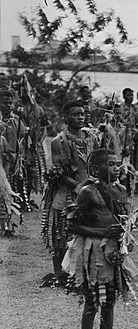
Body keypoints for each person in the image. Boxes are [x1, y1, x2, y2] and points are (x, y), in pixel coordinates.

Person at [63, 148, 138, 329]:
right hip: (93, 253)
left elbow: (124, 221)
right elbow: (72, 225)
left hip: (114, 252)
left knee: (110, 300)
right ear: (95, 169)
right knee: (92, 301)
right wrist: (102, 233)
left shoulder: (119, 189)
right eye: (110, 164)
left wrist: (124, 238)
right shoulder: (87, 192)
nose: (117, 167)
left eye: (117, 163)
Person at [41, 101, 98, 287]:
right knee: (61, 233)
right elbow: (58, 172)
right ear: (66, 117)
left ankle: (83, 272)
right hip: (67, 192)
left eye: (82, 114)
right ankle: (59, 275)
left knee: (87, 232)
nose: (80, 117)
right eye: (75, 114)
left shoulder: (91, 137)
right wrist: (79, 185)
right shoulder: (59, 141)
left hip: (88, 190)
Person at [1, 89, 33, 213]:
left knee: (9, 188)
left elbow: (24, 139)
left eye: (10, 103)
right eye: (4, 103)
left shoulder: (16, 120)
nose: (8, 105)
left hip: (12, 161)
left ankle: (7, 221)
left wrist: (22, 156)